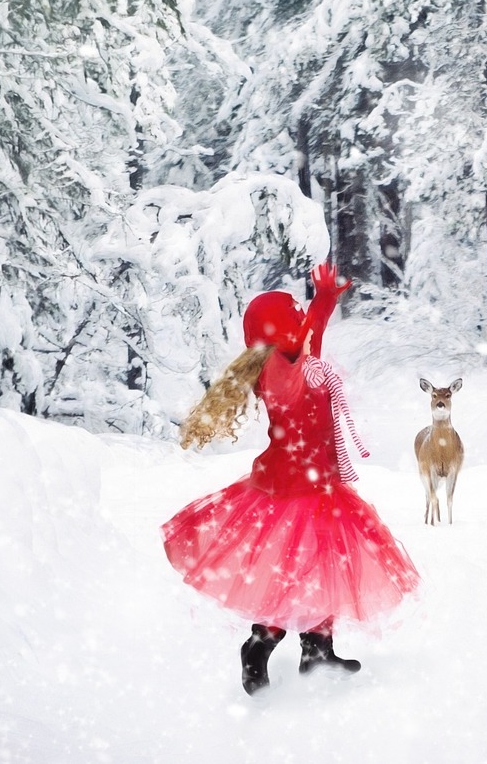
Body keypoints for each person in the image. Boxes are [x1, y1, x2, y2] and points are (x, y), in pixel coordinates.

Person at [163, 263, 419, 695]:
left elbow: (308, 341)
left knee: (325, 568)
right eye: (294, 315)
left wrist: (321, 304)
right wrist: (317, 307)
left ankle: (317, 651)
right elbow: (304, 346)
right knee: (294, 574)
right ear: (279, 332)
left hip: (318, 484)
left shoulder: (293, 358)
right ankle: (260, 646)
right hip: (293, 491)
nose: (302, 322)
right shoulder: (280, 372)